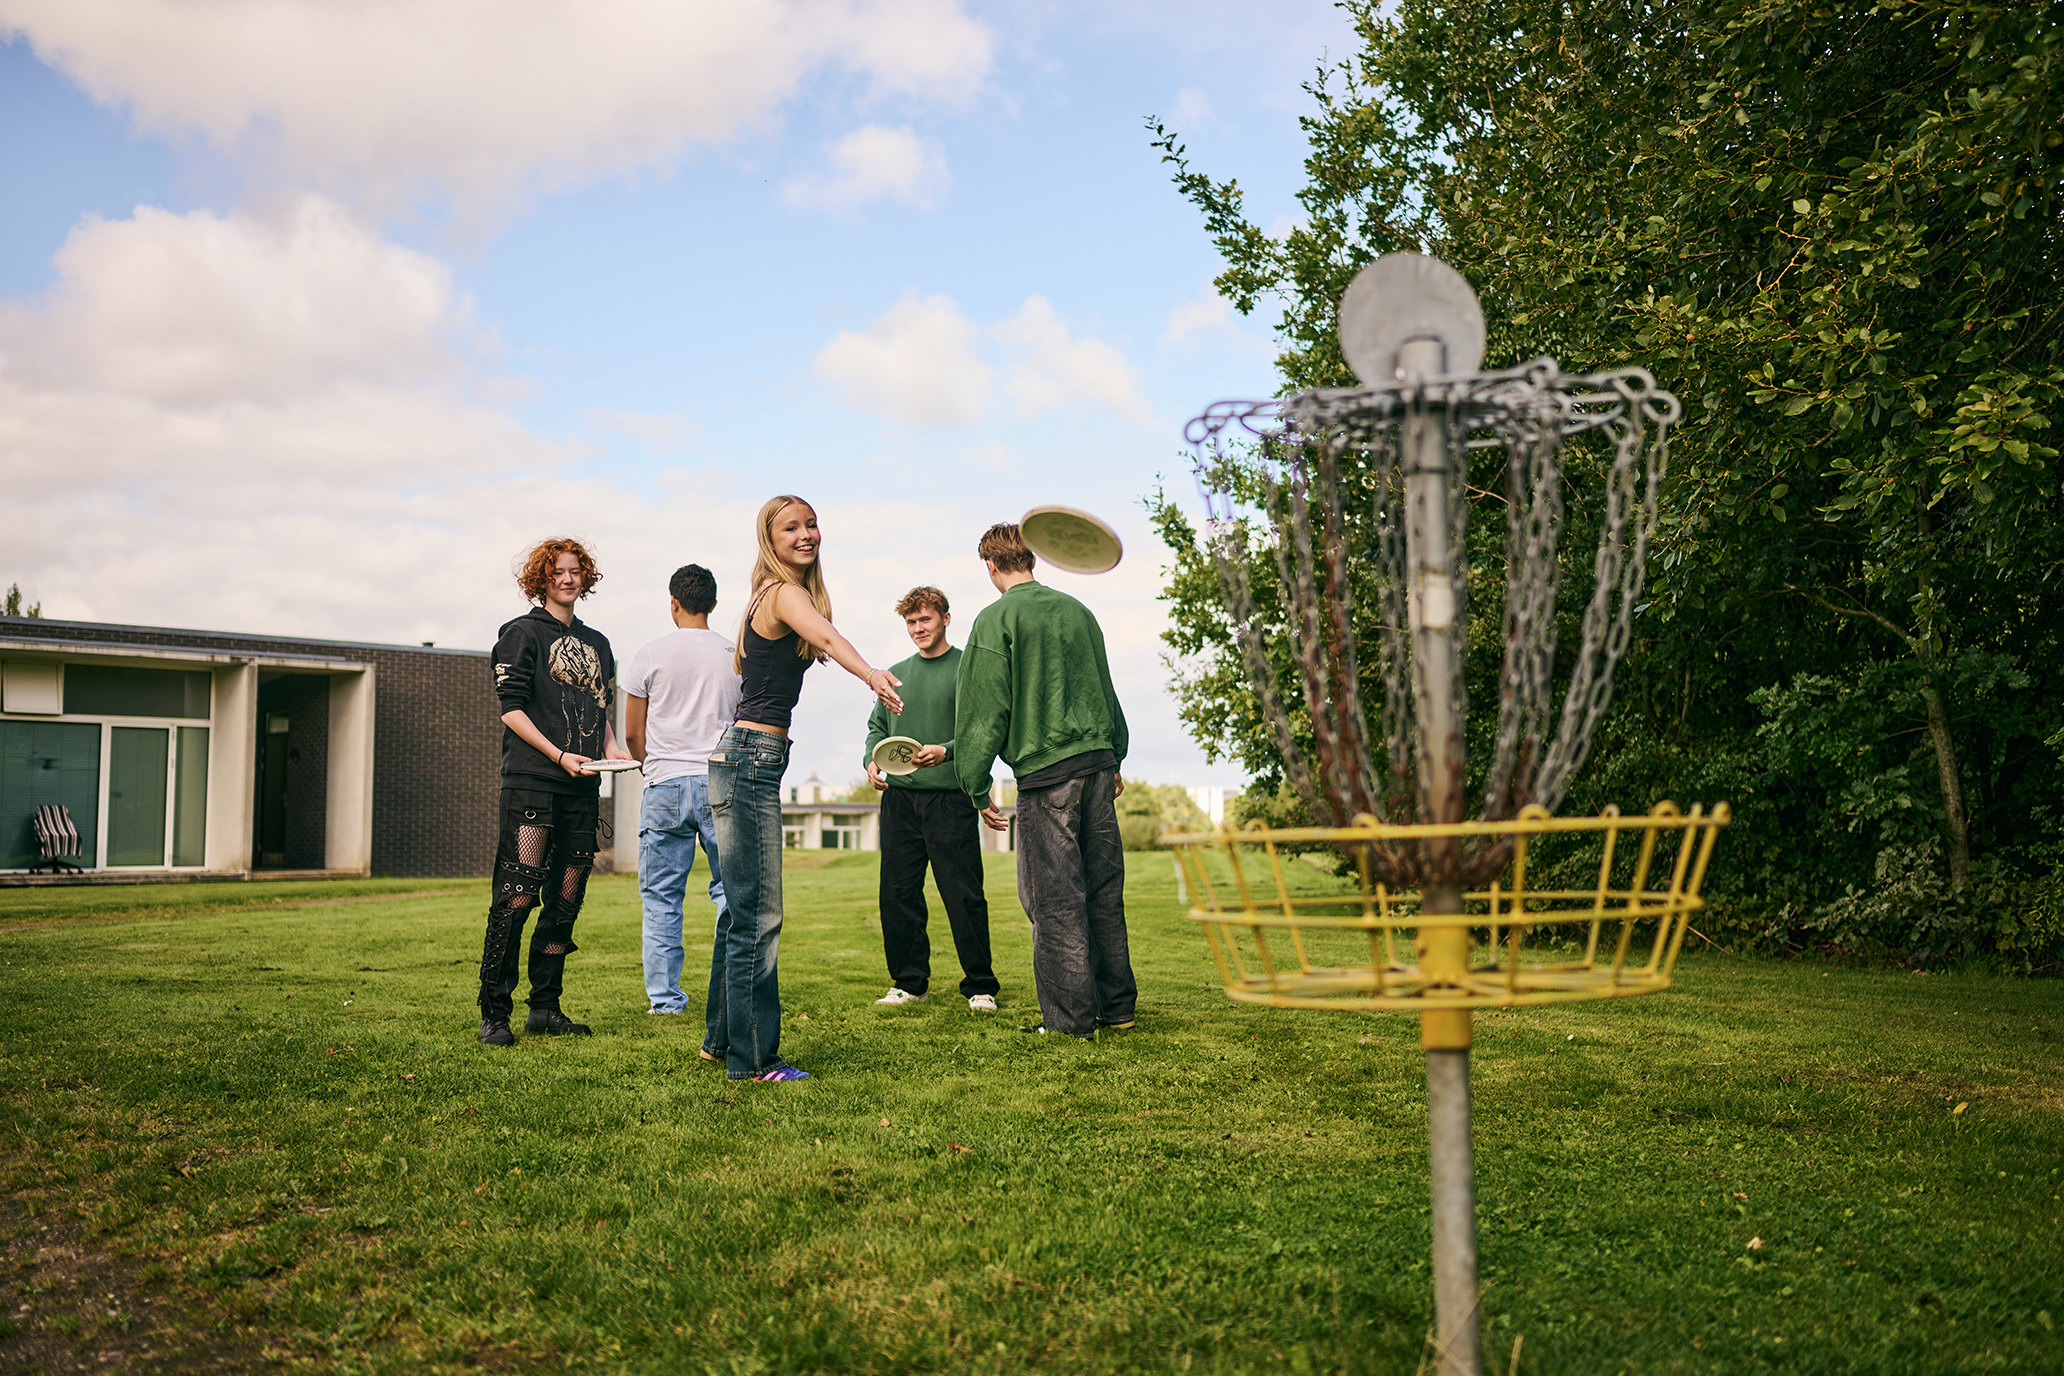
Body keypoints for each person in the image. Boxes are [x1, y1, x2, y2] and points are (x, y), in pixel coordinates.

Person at [707, 495, 905, 1082]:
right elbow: (828, 638)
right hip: (750, 757)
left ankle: (721, 1041)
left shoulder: (769, 595)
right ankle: (754, 1060)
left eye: (811, 524)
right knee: (758, 916)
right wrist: (870, 673)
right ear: (770, 540)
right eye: (790, 527)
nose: (805, 534)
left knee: (740, 912)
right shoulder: (783, 593)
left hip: (746, 756)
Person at [954, 523, 1136, 1041]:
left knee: (1055, 900)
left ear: (991, 565)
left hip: (1047, 775)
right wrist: (1115, 756)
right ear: (1032, 559)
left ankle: (1068, 1022)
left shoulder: (996, 619)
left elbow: (983, 711)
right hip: (1098, 764)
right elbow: (1104, 687)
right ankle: (1117, 1008)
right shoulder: (1078, 611)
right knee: (1102, 892)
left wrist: (975, 784)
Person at [477, 537, 633, 1047]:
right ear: (541, 580)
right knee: (517, 895)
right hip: (532, 784)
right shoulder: (520, 633)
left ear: (585, 578)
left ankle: (545, 1007)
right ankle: (494, 1013)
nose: (567, 579)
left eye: (575, 571)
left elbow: (599, 711)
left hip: (582, 791)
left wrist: (614, 750)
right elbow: (511, 710)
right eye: (557, 572)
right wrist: (559, 755)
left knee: (566, 899)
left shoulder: (599, 643)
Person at [862, 586, 1000, 1013]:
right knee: (898, 894)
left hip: (950, 799)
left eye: (925, 619)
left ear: (945, 618)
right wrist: (870, 760)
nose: (918, 628)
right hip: (899, 802)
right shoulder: (895, 674)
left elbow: (983, 728)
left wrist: (947, 750)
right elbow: (876, 728)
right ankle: (909, 983)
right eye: (911, 622)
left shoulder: (966, 668)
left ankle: (980, 986)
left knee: (963, 894)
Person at [623, 564, 740, 1033]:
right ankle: (729, 989)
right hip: (720, 782)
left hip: (665, 786)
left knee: (661, 898)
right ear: (713, 603)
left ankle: (665, 1002)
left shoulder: (650, 654)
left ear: (673, 602)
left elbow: (634, 733)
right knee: (730, 894)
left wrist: (652, 766)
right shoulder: (736, 655)